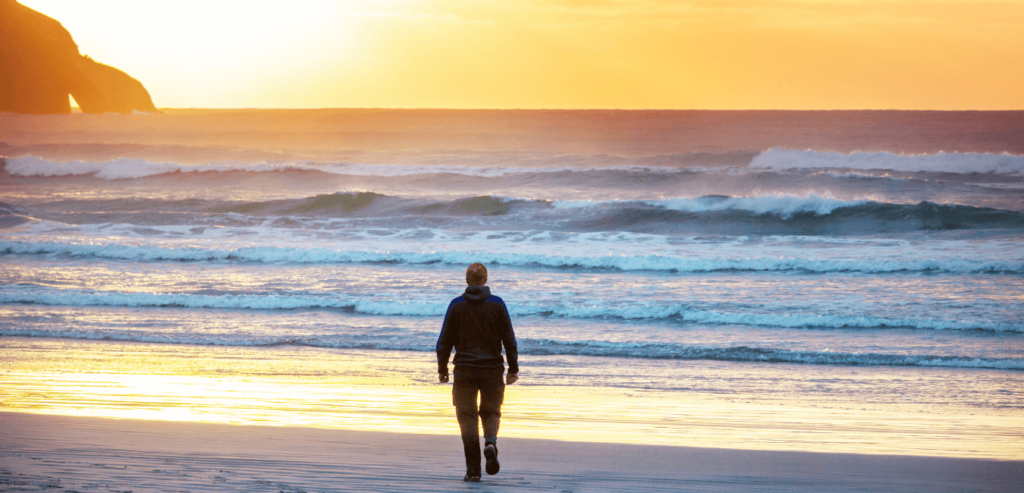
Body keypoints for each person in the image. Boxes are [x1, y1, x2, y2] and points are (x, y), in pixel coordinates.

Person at [436, 262, 519, 482]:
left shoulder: (456, 305)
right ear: (485, 279)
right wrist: (513, 369)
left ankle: (473, 471)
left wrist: (442, 368)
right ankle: (490, 442)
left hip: (464, 370)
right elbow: (509, 340)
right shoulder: (497, 304)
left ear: (467, 280)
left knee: (467, 417)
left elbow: (444, 341)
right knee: (491, 411)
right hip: (492, 369)